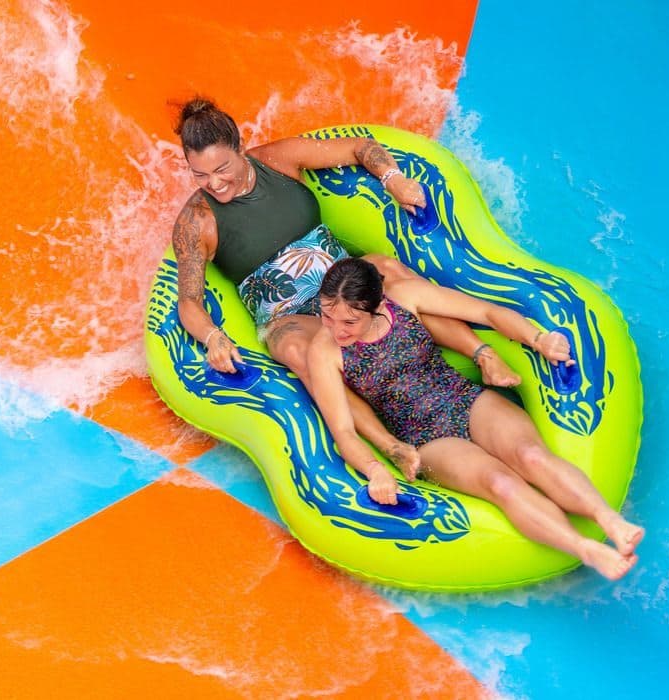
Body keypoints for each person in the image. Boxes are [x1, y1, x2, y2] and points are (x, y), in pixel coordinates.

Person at [170, 96, 520, 468]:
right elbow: (189, 301)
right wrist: (212, 337)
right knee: (294, 348)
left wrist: (394, 180)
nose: (214, 183)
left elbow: (358, 147)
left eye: (222, 168)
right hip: (288, 314)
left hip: (344, 280)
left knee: (385, 269)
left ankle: (482, 355)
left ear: (239, 147)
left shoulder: (278, 159)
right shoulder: (196, 222)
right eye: (200, 175)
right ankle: (389, 446)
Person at [306, 257, 645, 580]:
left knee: (531, 456)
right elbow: (344, 431)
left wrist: (538, 340)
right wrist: (375, 470)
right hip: (426, 437)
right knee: (500, 482)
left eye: (349, 322)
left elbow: (486, 311)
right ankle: (585, 549)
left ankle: (610, 521)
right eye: (327, 316)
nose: (337, 330)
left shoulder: (404, 298)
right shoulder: (323, 351)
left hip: (464, 397)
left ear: (378, 305)